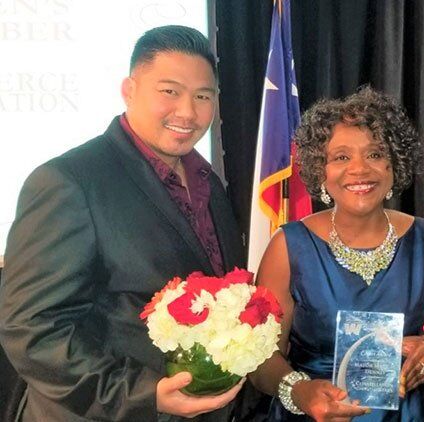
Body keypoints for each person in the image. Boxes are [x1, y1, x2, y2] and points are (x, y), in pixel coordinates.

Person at [0, 25, 247, 421]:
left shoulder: (208, 182)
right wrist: (144, 394)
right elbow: (33, 330)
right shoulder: (69, 181)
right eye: (169, 91)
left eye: (203, 96)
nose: (187, 111)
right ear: (129, 90)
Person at [249, 87, 424, 421]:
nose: (360, 169)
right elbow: (259, 359)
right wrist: (300, 391)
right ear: (321, 171)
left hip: (414, 414)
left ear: (394, 165)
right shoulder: (288, 246)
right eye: (341, 157)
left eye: (374, 154)